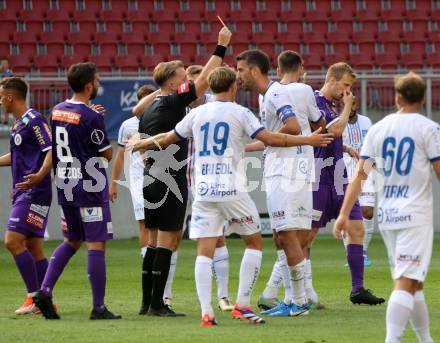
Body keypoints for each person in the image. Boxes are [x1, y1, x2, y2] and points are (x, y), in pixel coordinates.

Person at [128, 66, 334, 326]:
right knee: (254, 242)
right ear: (233, 87)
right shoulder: (241, 113)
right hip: (232, 189)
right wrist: (307, 140)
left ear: (210, 88)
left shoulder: (197, 113)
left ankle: (207, 312)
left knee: (204, 250)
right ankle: (243, 305)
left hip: (203, 190)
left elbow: (168, 138)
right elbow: (271, 138)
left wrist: (144, 143)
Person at [334, 72, 439, 343]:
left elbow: (361, 176)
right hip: (415, 216)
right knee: (405, 282)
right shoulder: (428, 128)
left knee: (414, 282)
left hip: (389, 216)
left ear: (396, 97)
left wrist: (344, 214)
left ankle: (426, 339)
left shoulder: (379, 129)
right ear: (424, 97)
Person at [137, 26, 232, 317]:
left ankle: (147, 303)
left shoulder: (151, 107)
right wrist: (221, 47)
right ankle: (157, 305)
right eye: (181, 76)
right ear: (171, 82)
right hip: (169, 179)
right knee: (167, 241)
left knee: (153, 242)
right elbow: (203, 81)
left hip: (151, 176)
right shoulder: (172, 100)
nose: (186, 79)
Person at [33, 62, 121, 320]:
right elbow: (105, 152)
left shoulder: (58, 110)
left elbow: (67, 140)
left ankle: (45, 291)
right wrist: (98, 122)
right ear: (88, 85)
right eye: (97, 80)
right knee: (96, 244)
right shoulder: (91, 116)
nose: (99, 83)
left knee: (71, 240)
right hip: (89, 186)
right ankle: (98, 307)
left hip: (66, 184)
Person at [237, 49, 322, 317]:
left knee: (287, 235)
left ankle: (298, 303)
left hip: (287, 171)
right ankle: (292, 299)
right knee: (283, 235)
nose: (237, 76)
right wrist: (251, 146)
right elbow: (277, 134)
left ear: (254, 70)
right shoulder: (269, 95)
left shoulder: (274, 94)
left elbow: (294, 126)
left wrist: (268, 139)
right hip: (289, 168)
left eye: (240, 70)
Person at [310, 62, 384, 305]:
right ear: (332, 80)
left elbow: (331, 136)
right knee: (305, 236)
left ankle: (357, 289)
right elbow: (334, 129)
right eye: (345, 85)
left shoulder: (332, 104)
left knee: (357, 229)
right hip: (318, 176)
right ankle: (298, 291)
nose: (347, 91)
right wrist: (348, 106)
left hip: (340, 177)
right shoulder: (315, 101)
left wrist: (344, 147)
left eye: (350, 87)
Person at [182, 64, 233, 312]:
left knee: (218, 236)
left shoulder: (217, 104)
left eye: (199, 80)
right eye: (191, 81)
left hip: (223, 176)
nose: (196, 85)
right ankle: (168, 297)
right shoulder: (181, 106)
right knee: (205, 237)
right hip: (193, 176)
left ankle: (222, 297)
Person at [0, 77, 52, 314]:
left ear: (10, 96)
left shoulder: (34, 120)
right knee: (34, 246)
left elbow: (51, 149)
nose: (1, 101)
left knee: (12, 241)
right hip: (25, 192)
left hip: (33, 192)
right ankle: (46, 300)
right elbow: (18, 155)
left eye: (1, 96)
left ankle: (34, 299)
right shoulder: (18, 124)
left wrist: (41, 174)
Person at [109, 84, 157, 258]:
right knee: (144, 223)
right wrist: (113, 184)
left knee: (161, 225)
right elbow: (120, 156)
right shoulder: (127, 126)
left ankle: (160, 264)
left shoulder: (161, 121)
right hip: (139, 180)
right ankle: (147, 263)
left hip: (161, 178)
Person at [342, 97, 375, 266]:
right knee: (347, 212)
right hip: (343, 168)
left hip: (365, 166)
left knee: (368, 210)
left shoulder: (366, 121)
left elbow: (372, 143)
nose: (351, 107)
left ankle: (363, 252)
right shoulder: (337, 122)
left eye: (353, 103)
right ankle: (351, 253)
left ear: (357, 104)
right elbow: (332, 142)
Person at [1, 58, 13, 128]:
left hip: (6, 92)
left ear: (8, 65)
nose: (4, 65)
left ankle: (5, 121)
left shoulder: (9, 72)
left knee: (5, 106)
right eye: (2, 64)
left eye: (5, 63)